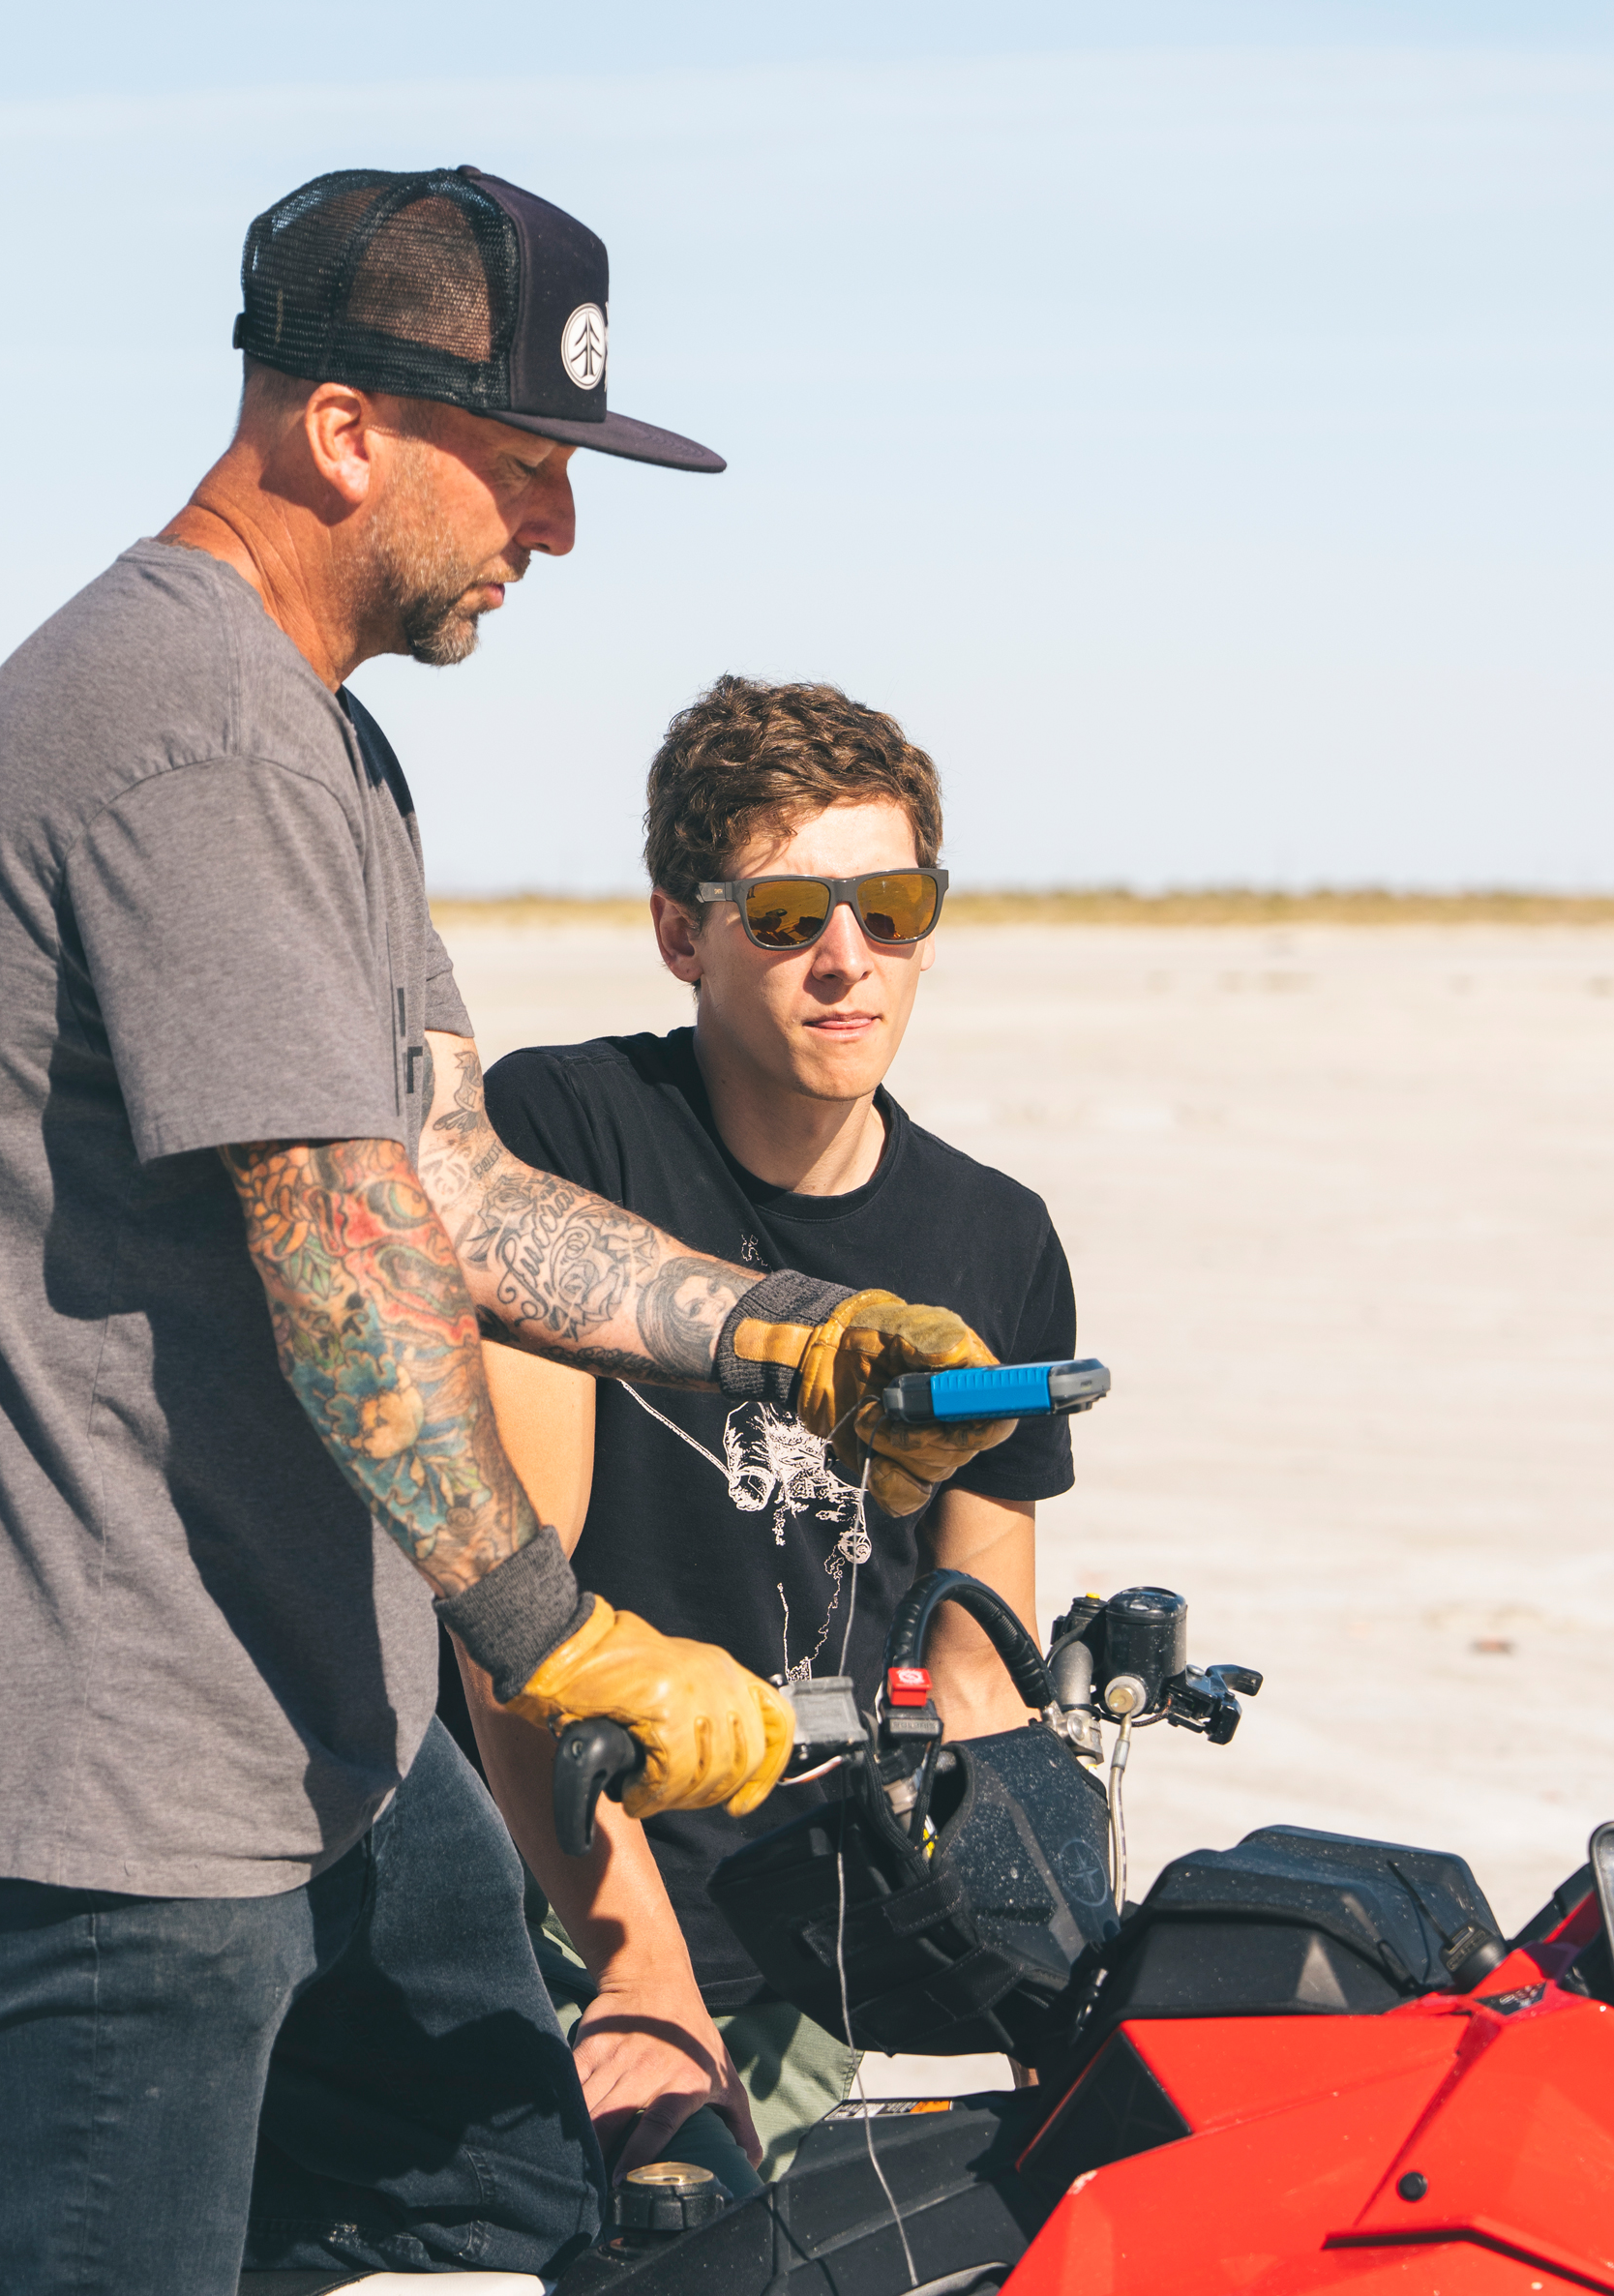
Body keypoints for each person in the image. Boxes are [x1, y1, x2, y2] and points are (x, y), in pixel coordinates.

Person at [0, 172, 1016, 2296]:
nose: (555, 532)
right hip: (125, 1771)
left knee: (496, 2200)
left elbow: (450, 1177)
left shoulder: (322, 744)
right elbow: (343, 1254)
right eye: (526, 467)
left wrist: (788, 1336)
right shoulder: (189, 739)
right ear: (343, 429)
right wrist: (559, 1628)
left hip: (320, 1737)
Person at [447, 675, 1080, 2188]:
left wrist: (1056, 1960)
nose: (849, 960)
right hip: (564, 1909)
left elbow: (982, 1657)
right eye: (790, 913)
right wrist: (637, 1973)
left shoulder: (997, 1239)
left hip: (829, 1942)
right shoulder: (566, 1137)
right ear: (684, 933)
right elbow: (505, 1625)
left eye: (896, 904)